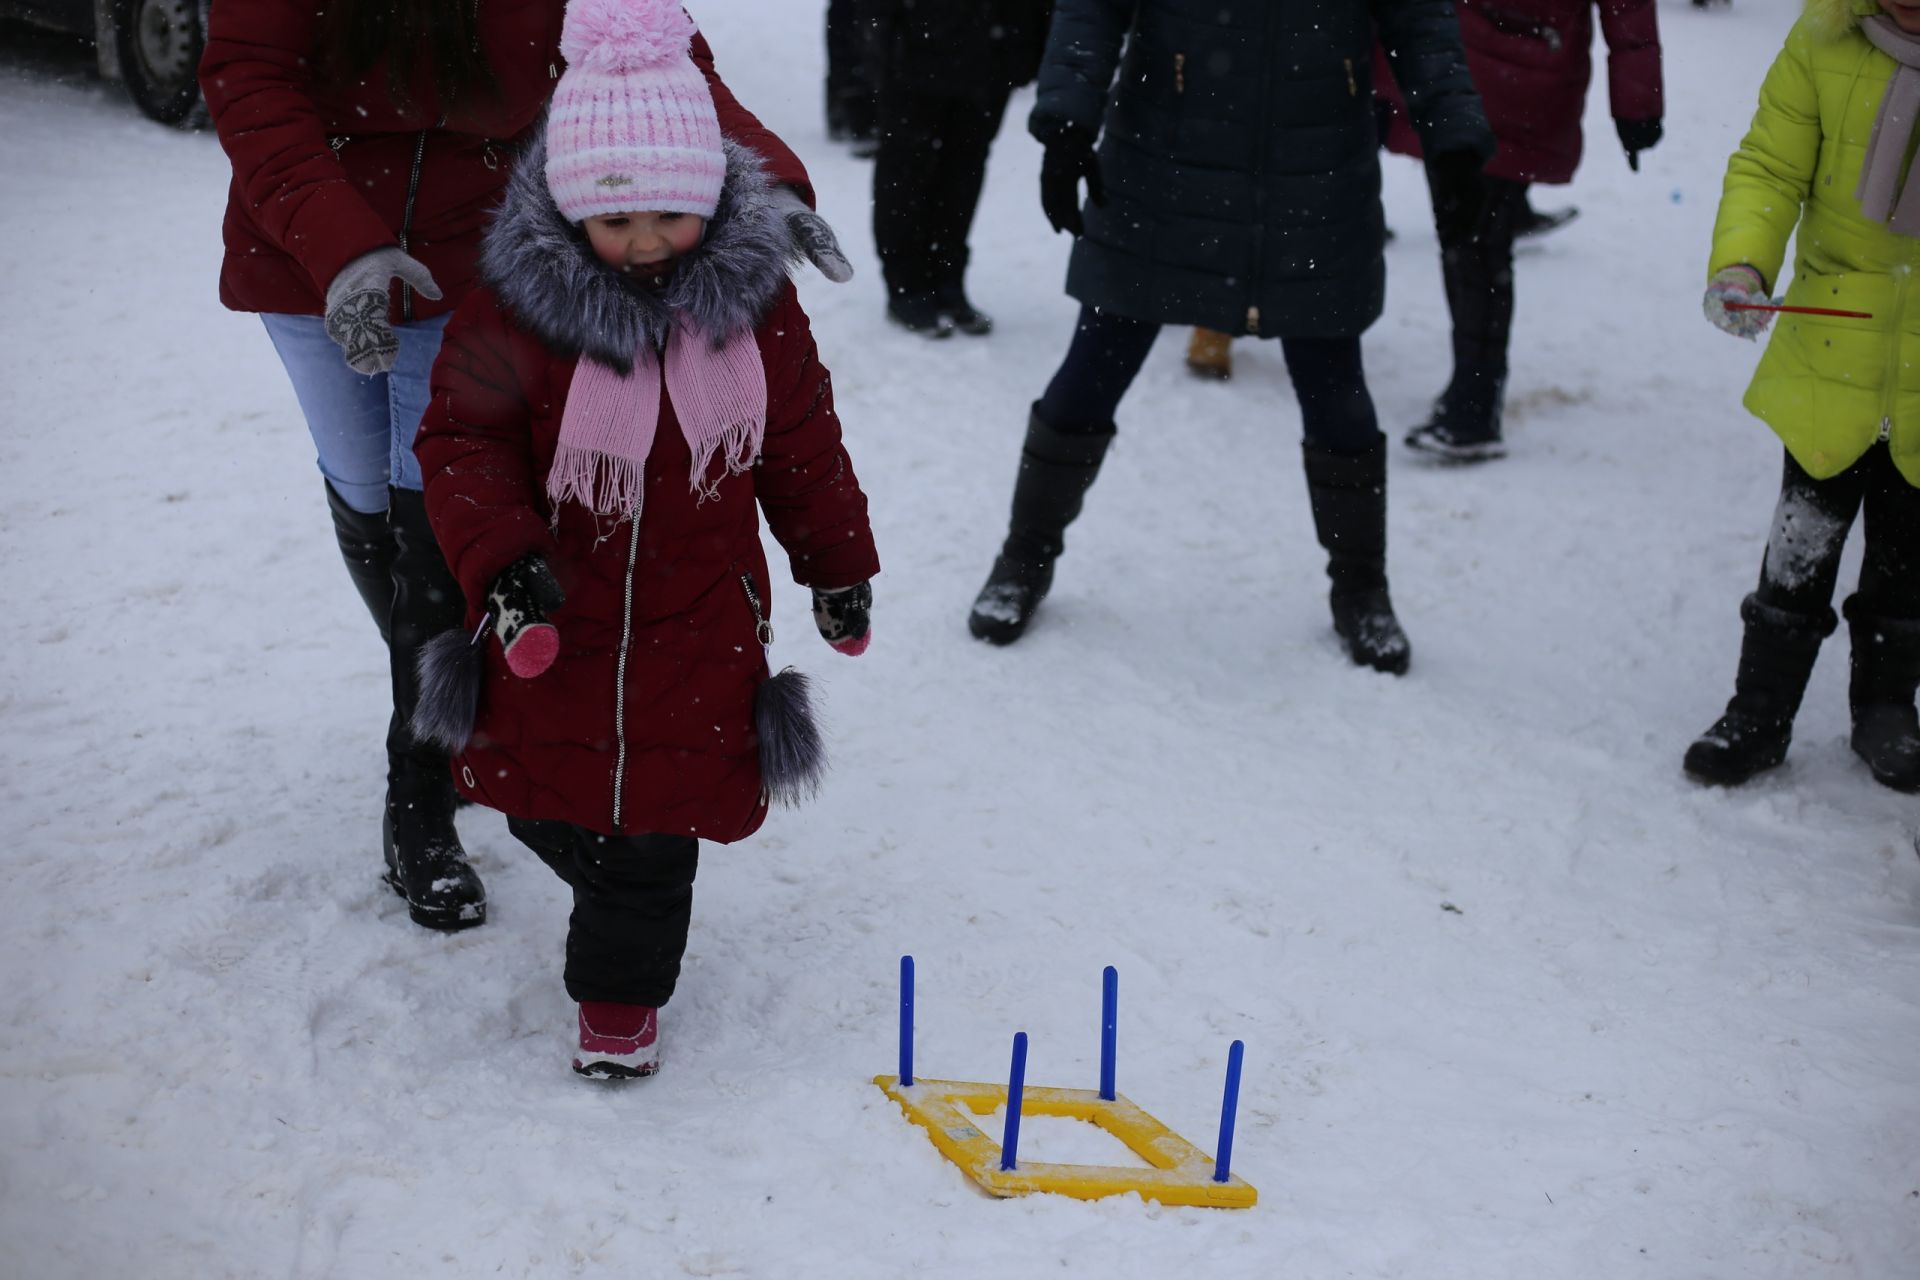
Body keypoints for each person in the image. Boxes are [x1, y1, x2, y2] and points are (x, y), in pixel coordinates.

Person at [198, 1, 850, 932]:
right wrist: (341, 242)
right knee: (366, 499)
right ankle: (469, 704)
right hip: (309, 244)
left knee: (441, 511)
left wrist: (769, 184)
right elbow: (251, 77)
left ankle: (420, 787)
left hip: (480, 251)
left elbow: (657, 56)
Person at [410, 0, 880, 1077]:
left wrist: (839, 564)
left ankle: (619, 998)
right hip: (554, 616)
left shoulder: (753, 307)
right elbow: (463, 441)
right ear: (570, 210)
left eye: (670, 216)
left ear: (710, 201)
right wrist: (503, 557)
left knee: (657, 831)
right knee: (538, 793)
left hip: (697, 618)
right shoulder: (518, 308)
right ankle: (596, 853)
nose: (645, 242)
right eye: (615, 221)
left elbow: (798, 441)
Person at [966, 0, 1493, 674]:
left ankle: (1362, 590)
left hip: (1316, 182)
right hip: (1161, 169)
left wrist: (1452, 140)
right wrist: (1069, 119)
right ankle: (1023, 559)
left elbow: (1421, 23)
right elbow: (1094, 8)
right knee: (1089, 376)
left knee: (1339, 400)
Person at [1687, 0, 1920, 793]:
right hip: (1834, 345)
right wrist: (1744, 264)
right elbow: (1770, 166)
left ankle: (1887, 708)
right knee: (1801, 544)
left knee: (1909, 554)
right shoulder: (1823, 40)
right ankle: (1758, 712)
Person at [1379, 0, 1663, 462]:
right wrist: (1638, 100)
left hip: (1470, 67)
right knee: (1473, 241)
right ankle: (1473, 392)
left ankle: (1474, 402)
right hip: (1502, 65)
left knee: (1471, 243)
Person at [864, 0, 1053, 336]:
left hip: (992, 53)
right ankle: (906, 285)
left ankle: (947, 280)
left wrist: (1030, 46)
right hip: (915, 49)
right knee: (906, 169)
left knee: (964, 172)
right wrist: (883, 35)